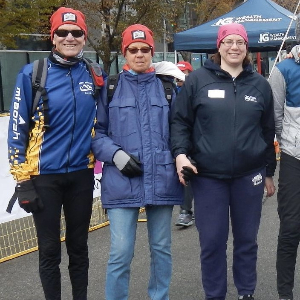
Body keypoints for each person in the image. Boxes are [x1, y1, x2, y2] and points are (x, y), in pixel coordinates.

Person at [170, 22, 276, 300]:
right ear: (219, 46)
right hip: (208, 177)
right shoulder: (198, 80)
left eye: (240, 42)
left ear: (246, 47)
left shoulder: (260, 85)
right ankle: (215, 295)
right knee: (212, 243)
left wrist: (268, 172)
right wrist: (181, 154)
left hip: (249, 175)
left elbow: (267, 132)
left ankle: (246, 293)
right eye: (228, 41)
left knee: (246, 242)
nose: (234, 47)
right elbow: (180, 121)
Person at [7, 7, 105, 300]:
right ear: (53, 37)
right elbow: (16, 131)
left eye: (77, 33)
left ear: (84, 37)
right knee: (49, 250)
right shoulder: (33, 73)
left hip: (81, 176)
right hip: (43, 177)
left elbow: (105, 120)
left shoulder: (94, 73)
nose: (70, 37)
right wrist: (23, 180)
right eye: (63, 32)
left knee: (79, 247)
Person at [92, 24, 183, 300]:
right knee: (120, 252)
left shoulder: (167, 88)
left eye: (145, 49)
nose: (140, 54)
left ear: (152, 52)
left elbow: (179, 132)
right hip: (121, 182)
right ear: (125, 53)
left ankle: (160, 296)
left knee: (161, 248)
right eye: (134, 49)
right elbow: (96, 135)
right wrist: (116, 155)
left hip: (161, 178)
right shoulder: (110, 88)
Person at [268, 14, 300, 300]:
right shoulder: (284, 69)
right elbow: (275, 117)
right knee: (291, 228)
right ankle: (284, 294)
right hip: (294, 159)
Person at [174, 60, 195, 227]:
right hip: (183, 141)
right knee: (186, 174)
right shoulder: (172, 90)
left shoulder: (194, 88)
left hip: (200, 142)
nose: (179, 79)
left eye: (183, 74)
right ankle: (185, 211)